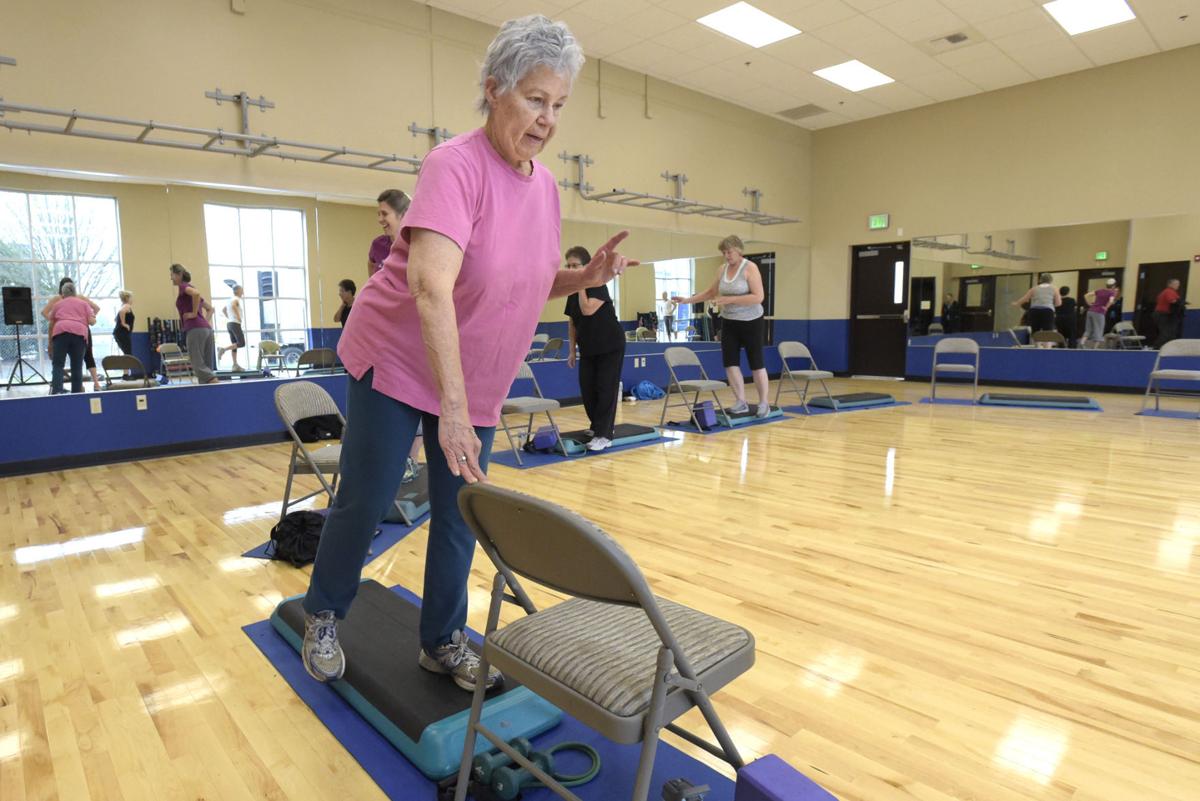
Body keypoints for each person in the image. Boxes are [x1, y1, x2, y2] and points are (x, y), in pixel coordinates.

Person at [300, 15, 635, 692]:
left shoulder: (544, 187)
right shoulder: (455, 165)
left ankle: (443, 639)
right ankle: (324, 613)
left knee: (460, 509)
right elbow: (430, 283)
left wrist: (585, 278)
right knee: (366, 497)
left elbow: (527, 278)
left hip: (473, 371)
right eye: (536, 99)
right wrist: (450, 409)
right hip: (399, 360)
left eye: (559, 105)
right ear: (494, 89)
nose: (548, 119)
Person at [673, 235, 770, 417]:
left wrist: (731, 299)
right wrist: (687, 300)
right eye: (724, 252)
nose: (726, 255)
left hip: (752, 321)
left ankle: (764, 403)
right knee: (730, 362)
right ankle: (741, 401)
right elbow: (711, 292)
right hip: (730, 321)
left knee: (756, 363)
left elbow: (758, 297)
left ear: (739, 250)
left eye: (729, 251)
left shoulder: (750, 268)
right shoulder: (722, 269)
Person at [564, 245, 625, 451]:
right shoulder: (571, 291)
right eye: (569, 266)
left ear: (586, 266)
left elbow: (587, 309)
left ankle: (604, 434)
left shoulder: (597, 283)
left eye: (576, 266)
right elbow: (573, 321)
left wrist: (581, 284)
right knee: (588, 390)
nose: (571, 269)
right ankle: (598, 425)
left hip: (610, 344)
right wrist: (572, 350)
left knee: (606, 388)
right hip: (588, 347)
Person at [42, 277, 102, 391]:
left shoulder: (58, 304)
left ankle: (56, 393)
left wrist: (50, 343)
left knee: (58, 365)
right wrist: (90, 319)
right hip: (79, 335)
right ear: (75, 292)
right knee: (77, 367)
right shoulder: (83, 303)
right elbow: (91, 321)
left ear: (62, 293)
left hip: (60, 333)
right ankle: (76, 394)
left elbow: (51, 320)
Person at [169, 263, 218, 384]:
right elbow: (211, 309)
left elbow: (196, 294)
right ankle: (209, 394)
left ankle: (215, 384)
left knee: (197, 363)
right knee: (207, 365)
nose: (171, 278)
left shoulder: (183, 287)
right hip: (206, 330)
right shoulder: (190, 287)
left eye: (172, 275)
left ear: (179, 275)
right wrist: (204, 321)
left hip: (194, 329)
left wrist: (194, 314)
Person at [367, 189, 412, 276]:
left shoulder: (415, 246)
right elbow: (371, 263)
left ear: (403, 215)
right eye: (378, 214)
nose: (379, 220)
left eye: (384, 214)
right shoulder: (378, 244)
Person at [1013, 273, 1060, 344]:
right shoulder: (1054, 289)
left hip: (1034, 311)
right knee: (1047, 331)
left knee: (1035, 330)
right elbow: (1058, 303)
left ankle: (1036, 346)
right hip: (1047, 311)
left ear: (1040, 280)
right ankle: (1047, 348)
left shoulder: (1034, 288)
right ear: (1051, 280)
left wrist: (1017, 303)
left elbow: (1025, 299)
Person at [1081, 278, 1118, 348]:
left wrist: (1089, 304)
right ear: (1113, 286)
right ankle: (1095, 349)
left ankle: (1082, 344)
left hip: (1090, 311)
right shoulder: (1112, 293)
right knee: (1099, 330)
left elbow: (1086, 295)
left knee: (1088, 330)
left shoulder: (1100, 290)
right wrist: (1106, 307)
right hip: (1099, 312)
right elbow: (1111, 301)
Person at [218, 285, 245, 370]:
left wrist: (229, 317)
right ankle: (223, 349)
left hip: (230, 324)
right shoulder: (236, 299)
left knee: (235, 345)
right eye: (242, 290)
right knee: (241, 343)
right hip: (235, 323)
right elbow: (234, 306)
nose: (243, 292)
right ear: (238, 291)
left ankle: (235, 364)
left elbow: (223, 310)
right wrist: (238, 317)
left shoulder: (229, 299)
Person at [1153, 278, 1183, 348]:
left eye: (1178, 284)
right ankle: (1157, 347)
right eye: (1176, 284)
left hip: (1165, 314)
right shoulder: (1169, 291)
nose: (1178, 285)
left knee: (1170, 333)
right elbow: (1172, 301)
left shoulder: (1171, 292)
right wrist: (1180, 303)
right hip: (1162, 314)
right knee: (1166, 333)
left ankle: (1165, 347)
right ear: (1170, 284)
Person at [113, 290, 135, 356]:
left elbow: (115, 319)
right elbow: (121, 311)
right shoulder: (126, 306)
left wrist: (121, 321)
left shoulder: (123, 305)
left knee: (127, 354)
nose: (132, 300)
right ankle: (125, 366)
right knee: (128, 354)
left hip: (120, 333)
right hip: (122, 333)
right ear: (128, 298)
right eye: (131, 298)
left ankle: (125, 366)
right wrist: (123, 323)